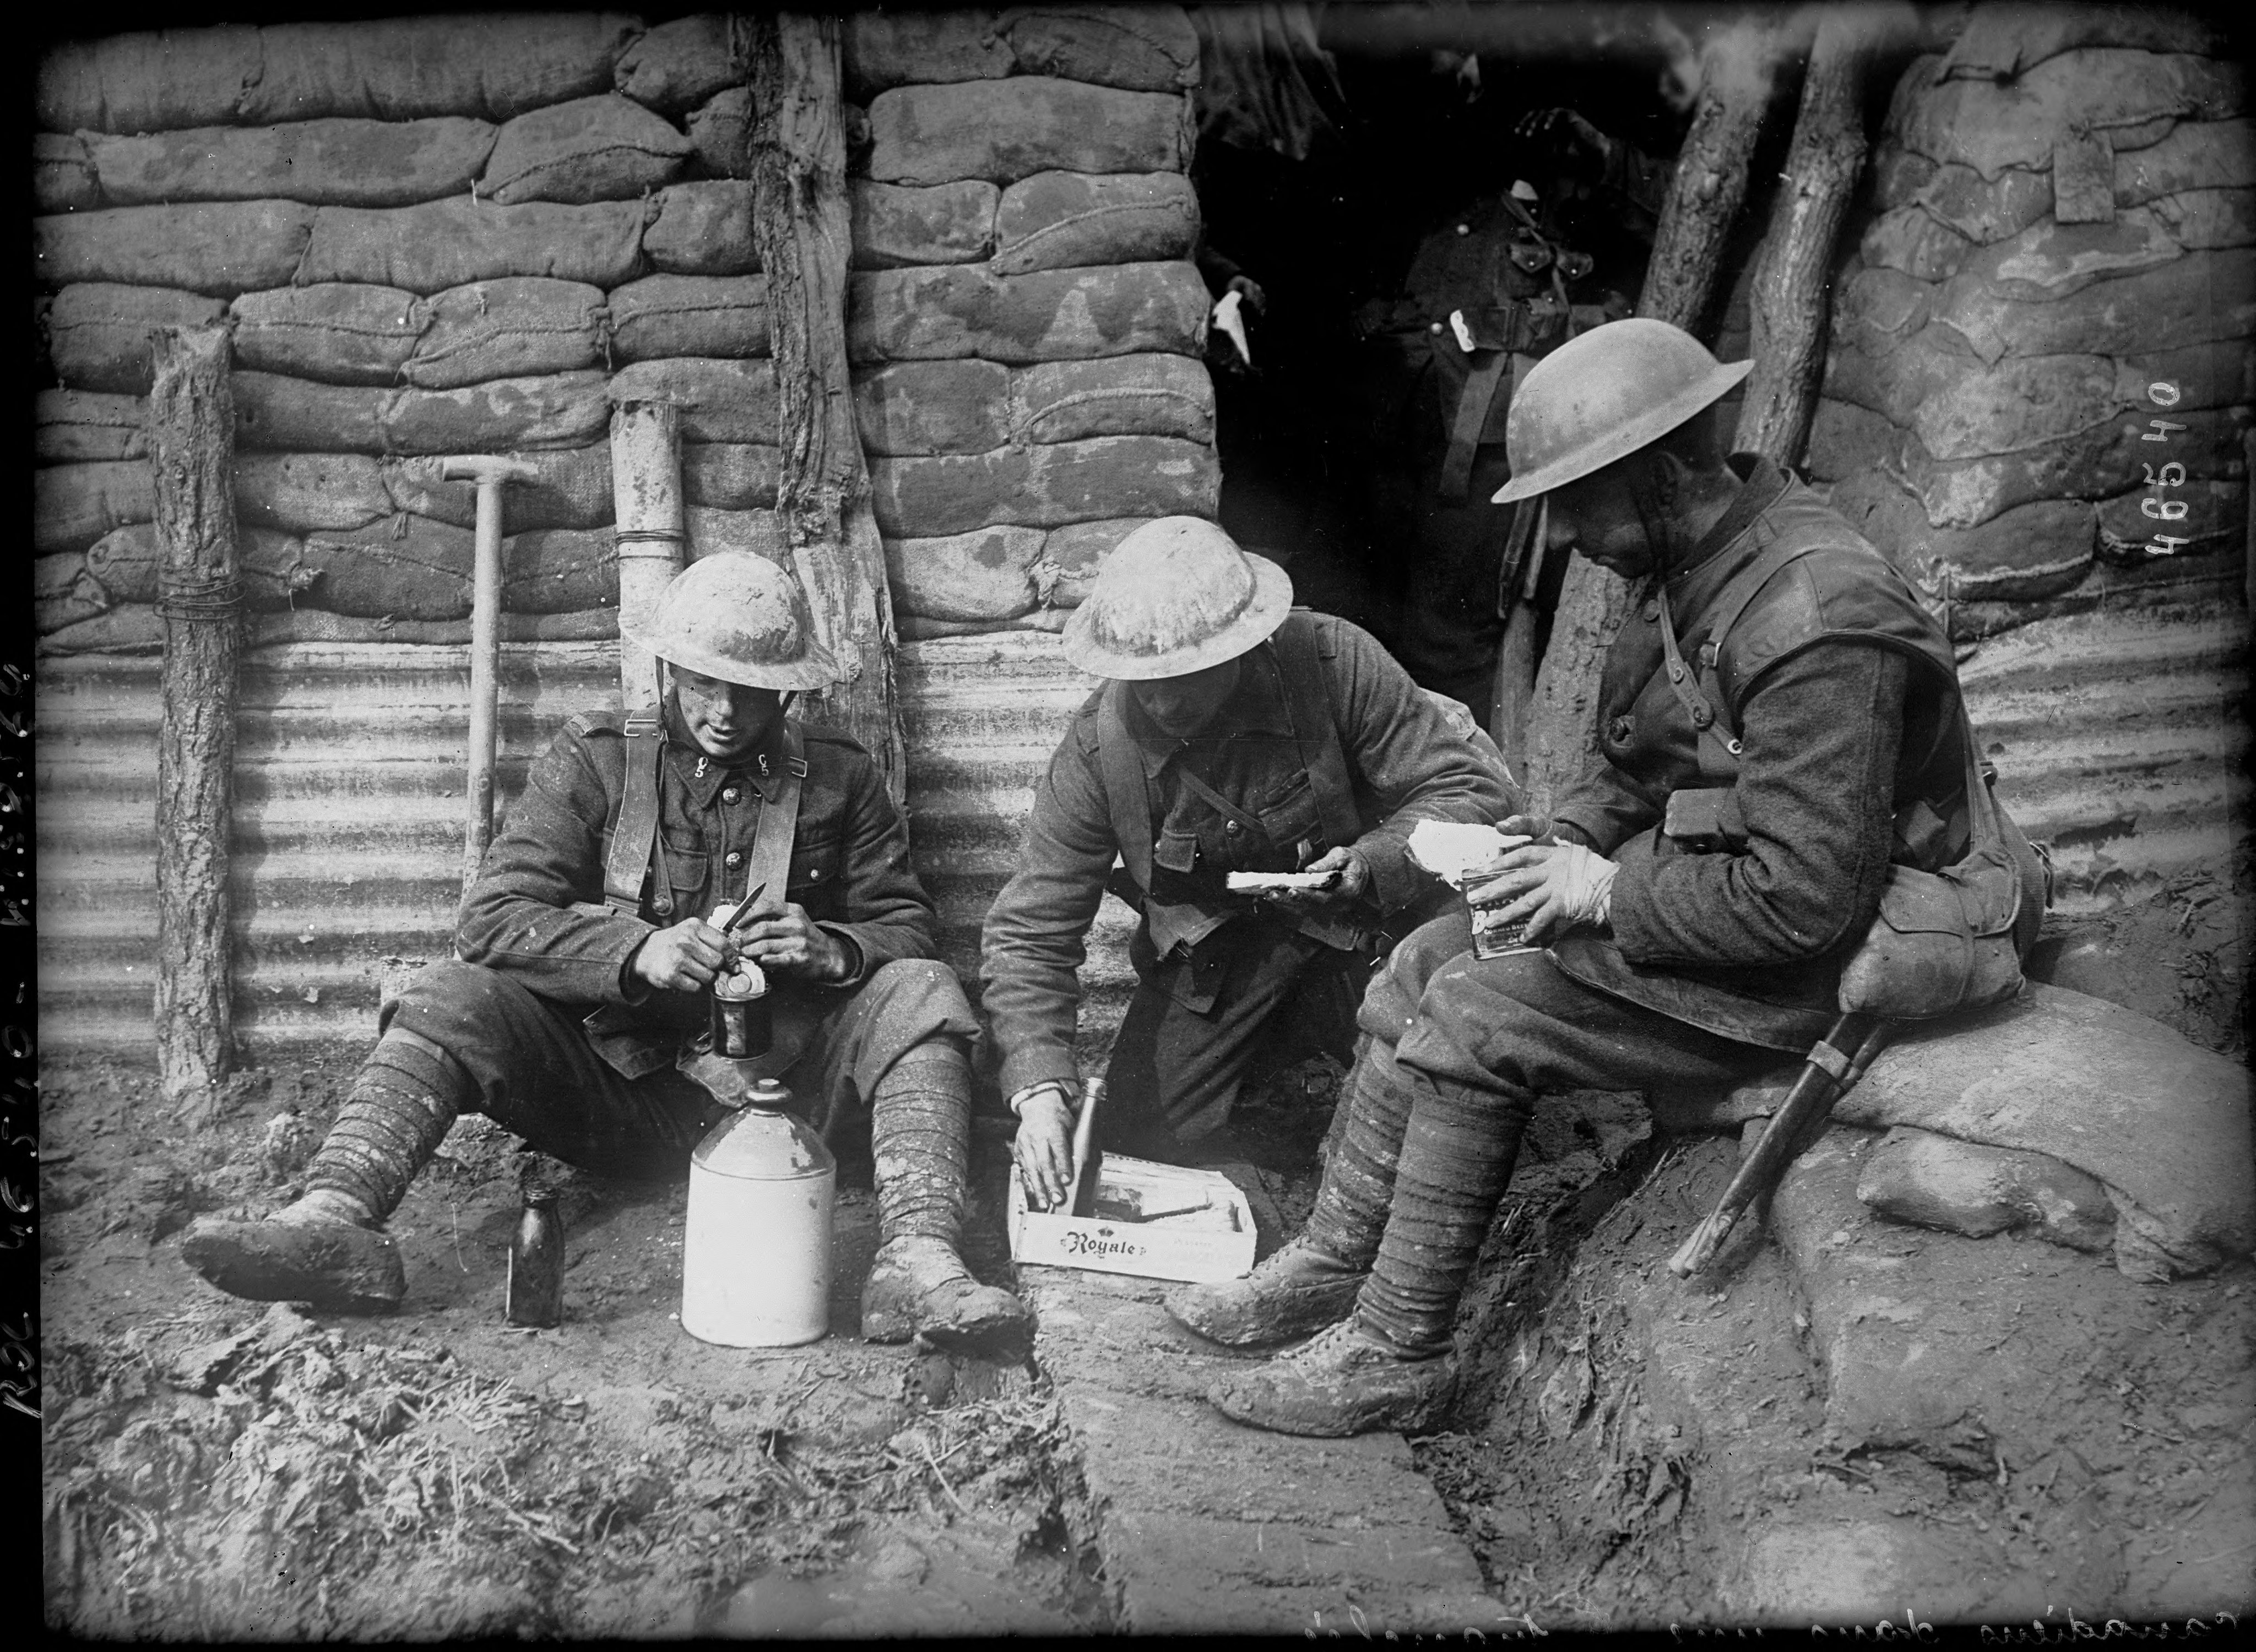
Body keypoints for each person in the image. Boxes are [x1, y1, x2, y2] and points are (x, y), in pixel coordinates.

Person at [1172, 318, 1980, 1435]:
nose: (1560, 537)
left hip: (1836, 950)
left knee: (1475, 1013)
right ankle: (1331, 1263)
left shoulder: (1811, 618)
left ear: (1652, 478)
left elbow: (1807, 900)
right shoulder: (1687, 564)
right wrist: (1543, 846)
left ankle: (1397, 1351)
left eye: (1572, 502)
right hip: (1720, 896)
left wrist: (1597, 893)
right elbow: (1636, 763)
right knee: (1423, 961)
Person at [184, 554, 1026, 1347]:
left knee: (921, 990)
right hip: (620, 1099)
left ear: (789, 696)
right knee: (449, 993)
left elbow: (910, 932)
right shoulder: (597, 764)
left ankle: (918, 1265)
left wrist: (831, 948)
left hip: (790, 1106)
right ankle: (336, 1220)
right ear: (668, 671)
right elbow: (493, 918)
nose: (724, 712)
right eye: (702, 684)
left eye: (751, 692)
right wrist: (635, 955)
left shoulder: (842, 777)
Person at [980, 516, 1517, 1207]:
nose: (1166, 701)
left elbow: (1466, 790)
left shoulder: (1331, 663)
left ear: (1244, 645)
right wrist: (1038, 1089)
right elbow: (1031, 931)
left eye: (1187, 677)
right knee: (1143, 1138)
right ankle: (1291, 1105)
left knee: (1438, 1100)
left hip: (1369, 932)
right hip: (1221, 961)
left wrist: (1373, 861)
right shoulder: (1095, 752)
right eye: (1146, 683)